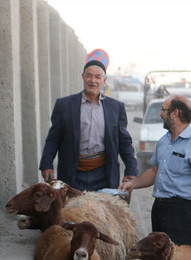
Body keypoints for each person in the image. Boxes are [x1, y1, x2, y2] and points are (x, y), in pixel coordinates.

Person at [119, 95, 191, 246]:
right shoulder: (164, 141)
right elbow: (155, 170)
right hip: (160, 208)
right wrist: (134, 183)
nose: (160, 114)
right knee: (158, 257)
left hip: (183, 211)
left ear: (174, 113)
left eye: (163, 110)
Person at [39, 60, 138, 191]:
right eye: (89, 76)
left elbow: (124, 142)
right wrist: (46, 165)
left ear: (104, 80)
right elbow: (53, 139)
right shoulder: (64, 105)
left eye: (98, 77)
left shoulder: (115, 108)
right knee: (73, 211)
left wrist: (131, 169)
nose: (93, 80)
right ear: (83, 77)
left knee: (103, 211)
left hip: (104, 174)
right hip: (72, 175)